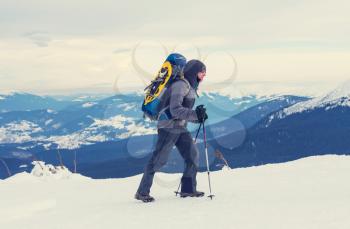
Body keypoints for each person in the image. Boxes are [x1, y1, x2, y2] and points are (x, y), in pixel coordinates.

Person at [135, 59, 208, 202]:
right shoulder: (180, 85)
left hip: (180, 127)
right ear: (194, 72)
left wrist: (198, 117)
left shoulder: (189, 86)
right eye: (202, 73)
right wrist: (194, 114)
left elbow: (183, 112)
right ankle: (142, 192)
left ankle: (188, 190)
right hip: (168, 127)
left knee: (192, 155)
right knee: (158, 160)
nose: (204, 76)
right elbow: (175, 110)